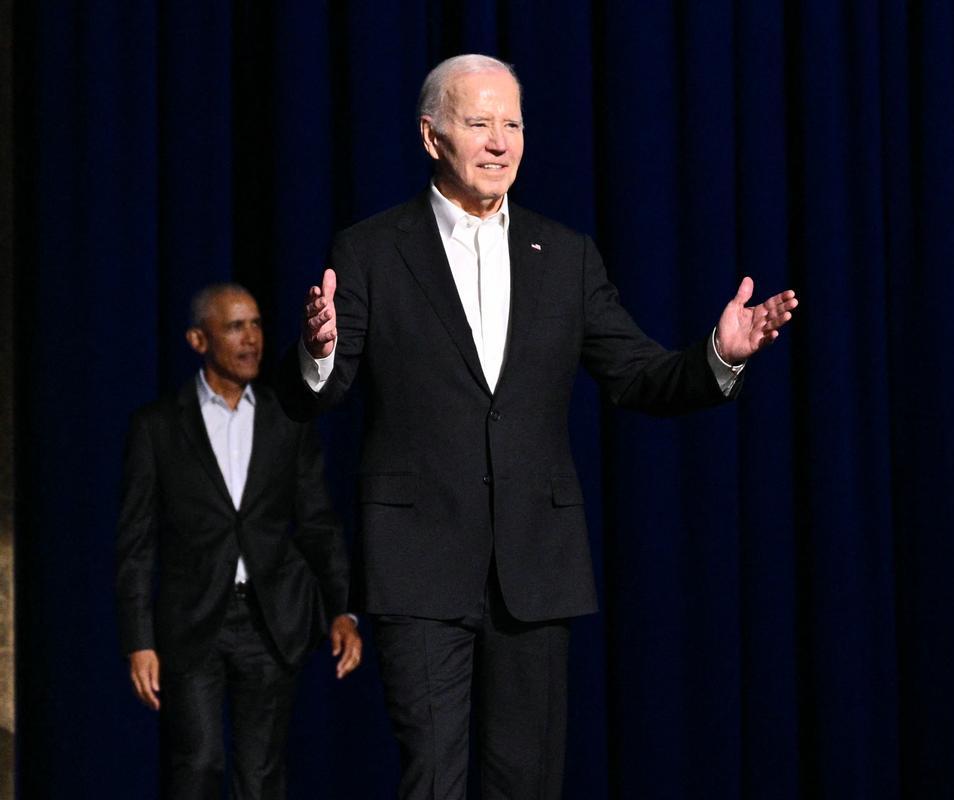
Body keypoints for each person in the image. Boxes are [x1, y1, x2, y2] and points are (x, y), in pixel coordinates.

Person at [275, 54, 797, 798]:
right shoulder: (369, 251)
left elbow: (638, 375)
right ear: (431, 138)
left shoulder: (567, 258)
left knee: (526, 782)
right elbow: (317, 394)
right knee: (432, 778)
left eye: (512, 124)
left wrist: (720, 354)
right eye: (479, 123)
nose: (499, 142)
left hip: (535, 564)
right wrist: (318, 352)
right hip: (419, 561)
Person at [116, 283, 362, 799]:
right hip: (193, 621)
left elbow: (317, 522)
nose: (251, 339)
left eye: (255, 324)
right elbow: (136, 543)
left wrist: (343, 610)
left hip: (271, 620)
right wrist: (139, 640)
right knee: (199, 763)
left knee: (261, 775)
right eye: (234, 327)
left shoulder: (285, 419)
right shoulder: (157, 428)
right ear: (198, 339)